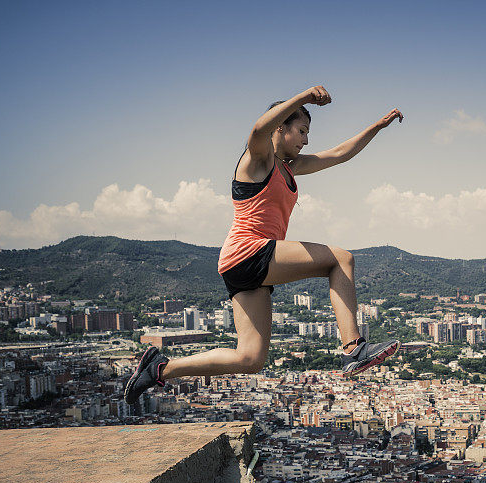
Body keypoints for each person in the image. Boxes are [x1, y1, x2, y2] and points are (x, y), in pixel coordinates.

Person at [125, 86, 404, 404]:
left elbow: (341, 153)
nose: (306, 140)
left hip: (240, 267)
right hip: (249, 251)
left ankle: (158, 369)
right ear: (281, 126)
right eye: (301, 130)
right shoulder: (258, 159)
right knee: (340, 259)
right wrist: (304, 97)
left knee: (251, 359)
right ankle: (354, 348)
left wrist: (377, 127)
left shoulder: (291, 167)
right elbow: (258, 129)